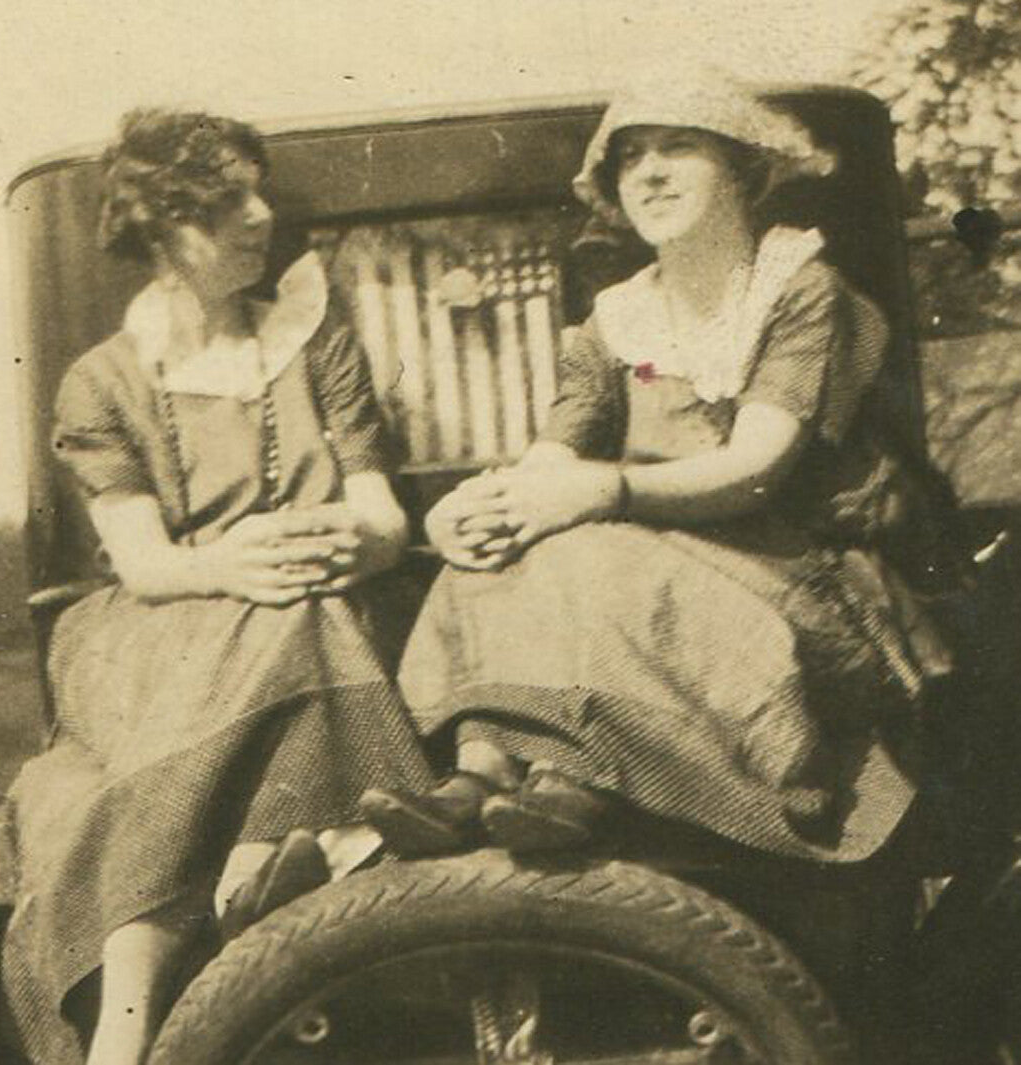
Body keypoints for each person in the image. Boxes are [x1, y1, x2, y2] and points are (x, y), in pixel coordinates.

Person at [361, 73, 950, 862]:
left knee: (593, 549)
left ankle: (583, 774)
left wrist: (602, 489)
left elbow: (757, 468)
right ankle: (482, 771)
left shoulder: (802, 291)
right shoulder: (619, 317)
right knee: (505, 553)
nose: (650, 173)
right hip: (660, 566)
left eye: (680, 148)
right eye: (631, 157)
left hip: (796, 579)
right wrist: (475, 511)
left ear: (744, 170)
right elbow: (552, 459)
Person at [1, 109, 432, 1065]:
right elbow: (148, 563)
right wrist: (233, 561)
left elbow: (384, 518)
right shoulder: (103, 381)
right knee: (285, 616)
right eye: (225, 202)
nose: (259, 216)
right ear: (162, 226)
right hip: (161, 626)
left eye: (257, 193)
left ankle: (183, 955)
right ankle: (180, 956)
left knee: (303, 609)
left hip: (322, 601)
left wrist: (344, 542)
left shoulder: (316, 344)